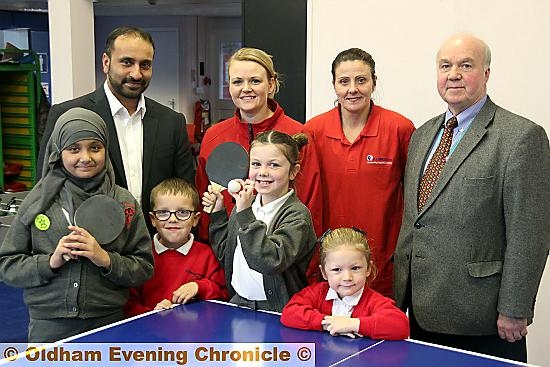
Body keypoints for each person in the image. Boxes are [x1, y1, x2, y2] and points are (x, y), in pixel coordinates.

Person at [393, 33, 550, 362]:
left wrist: (515, 308)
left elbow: (530, 232)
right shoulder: (422, 136)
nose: (453, 74)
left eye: (466, 65)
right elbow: (417, 221)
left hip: (483, 317)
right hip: (420, 309)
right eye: (445, 65)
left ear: (487, 73)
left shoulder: (520, 137)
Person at [0, 107, 153, 343]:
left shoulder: (123, 202)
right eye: (73, 149)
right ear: (58, 152)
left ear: (106, 149)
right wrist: (51, 261)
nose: (85, 157)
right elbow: (7, 265)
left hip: (107, 321)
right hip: (48, 325)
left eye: (95, 147)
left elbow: (144, 267)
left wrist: (105, 259)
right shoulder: (38, 201)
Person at [37, 26, 195, 234]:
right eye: (127, 62)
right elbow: (46, 186)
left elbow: (185, 188)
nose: (136, 73)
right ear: (106, 62)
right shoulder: (67, 115)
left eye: (145, 65)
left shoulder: (171, 121)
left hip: (155, 245)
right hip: (88, 244)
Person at [195, 47, 323, 283]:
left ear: (271, 84)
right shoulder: (214, 137)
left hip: (283, 265)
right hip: (230, 265)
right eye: (237, 81)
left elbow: (311, 201)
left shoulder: (297, 133)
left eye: (255, 80)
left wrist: (306, 270)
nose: (246, 89)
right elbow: (207, 208)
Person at [304, 48, 415, 297]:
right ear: (334, 85)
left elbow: (415, 200)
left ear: (374, 82)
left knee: (378, 329)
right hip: (329, 265)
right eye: (344, 81)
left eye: (361, 80)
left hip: (383, 265)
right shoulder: (313, 131)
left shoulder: (400, 129)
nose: (352, 89)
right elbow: (307, 199)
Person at [203, 130, 316, 312]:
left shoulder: (297, 215)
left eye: (274, 165)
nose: (263, 172)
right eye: (256, 164)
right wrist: (218, 213)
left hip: (275, 310)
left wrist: (245, 214)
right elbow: (226, 254)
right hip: (239, 304)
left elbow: (270, 261)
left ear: (293, 171)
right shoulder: (247, 205)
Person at [124, 178, 228, 317]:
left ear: (196, 219)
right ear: (152, 219)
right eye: (163, 212)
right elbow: (128, 303)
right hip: (151, 332)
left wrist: (198, 287)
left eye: (183, 212)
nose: (172, 219)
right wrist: (153, 315)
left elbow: (223, 294)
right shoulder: (141, 256)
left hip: (195, 334)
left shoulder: (207, 255)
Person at [281, 227, 409, 340]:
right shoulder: (316, 293)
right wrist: (328, 323)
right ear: (324, 272)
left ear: (368, 269)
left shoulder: (375, 301)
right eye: (337, 270)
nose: (347, 277)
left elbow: (401, 326)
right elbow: (289, 313)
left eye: (355, 268)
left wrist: (352, 324)